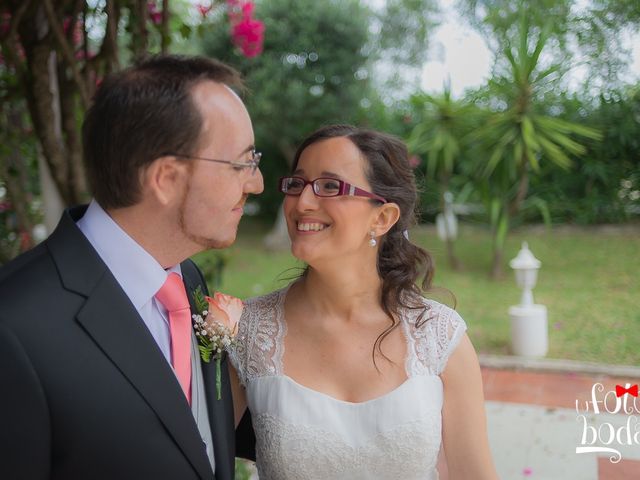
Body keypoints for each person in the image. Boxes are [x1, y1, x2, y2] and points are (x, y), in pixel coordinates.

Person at [0, 55, 263, 480]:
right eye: (242, 163)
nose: (256, 183)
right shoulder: (12, 329)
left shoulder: (187, 281)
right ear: (165, 178)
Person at [229, 124, 498, 479]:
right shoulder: (246, 331)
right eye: (297, 184)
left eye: (330, 186)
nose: (302, 203)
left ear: (382, 218)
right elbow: (198, 460)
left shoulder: (439, 336)